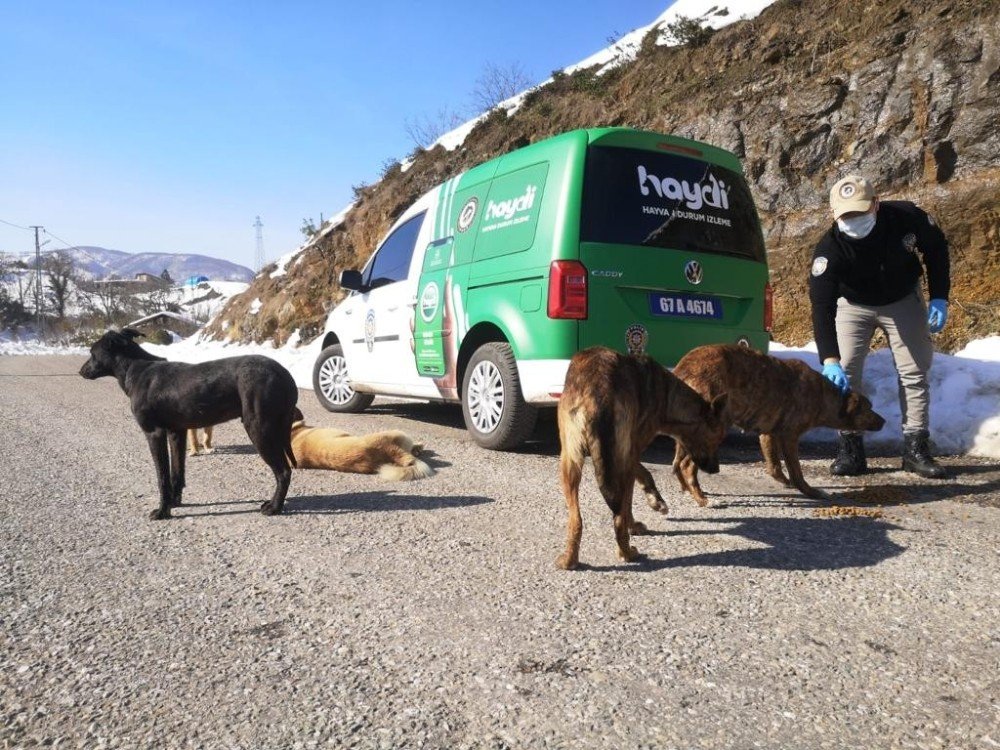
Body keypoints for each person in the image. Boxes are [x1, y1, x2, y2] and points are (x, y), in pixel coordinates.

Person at [808, 174, 951, 479]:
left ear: (876, 203)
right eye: (846, 216)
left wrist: (940, 296)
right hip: (853, 305)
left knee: (914, 371)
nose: (853, 221)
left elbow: (937, 248)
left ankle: (916, 448)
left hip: (902, 298)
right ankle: (850, 448)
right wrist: (829, 359)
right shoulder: (829, 250)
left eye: (859, 212)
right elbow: (822, 307)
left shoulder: (906, 217)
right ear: (834, 214)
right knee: (846, 373)